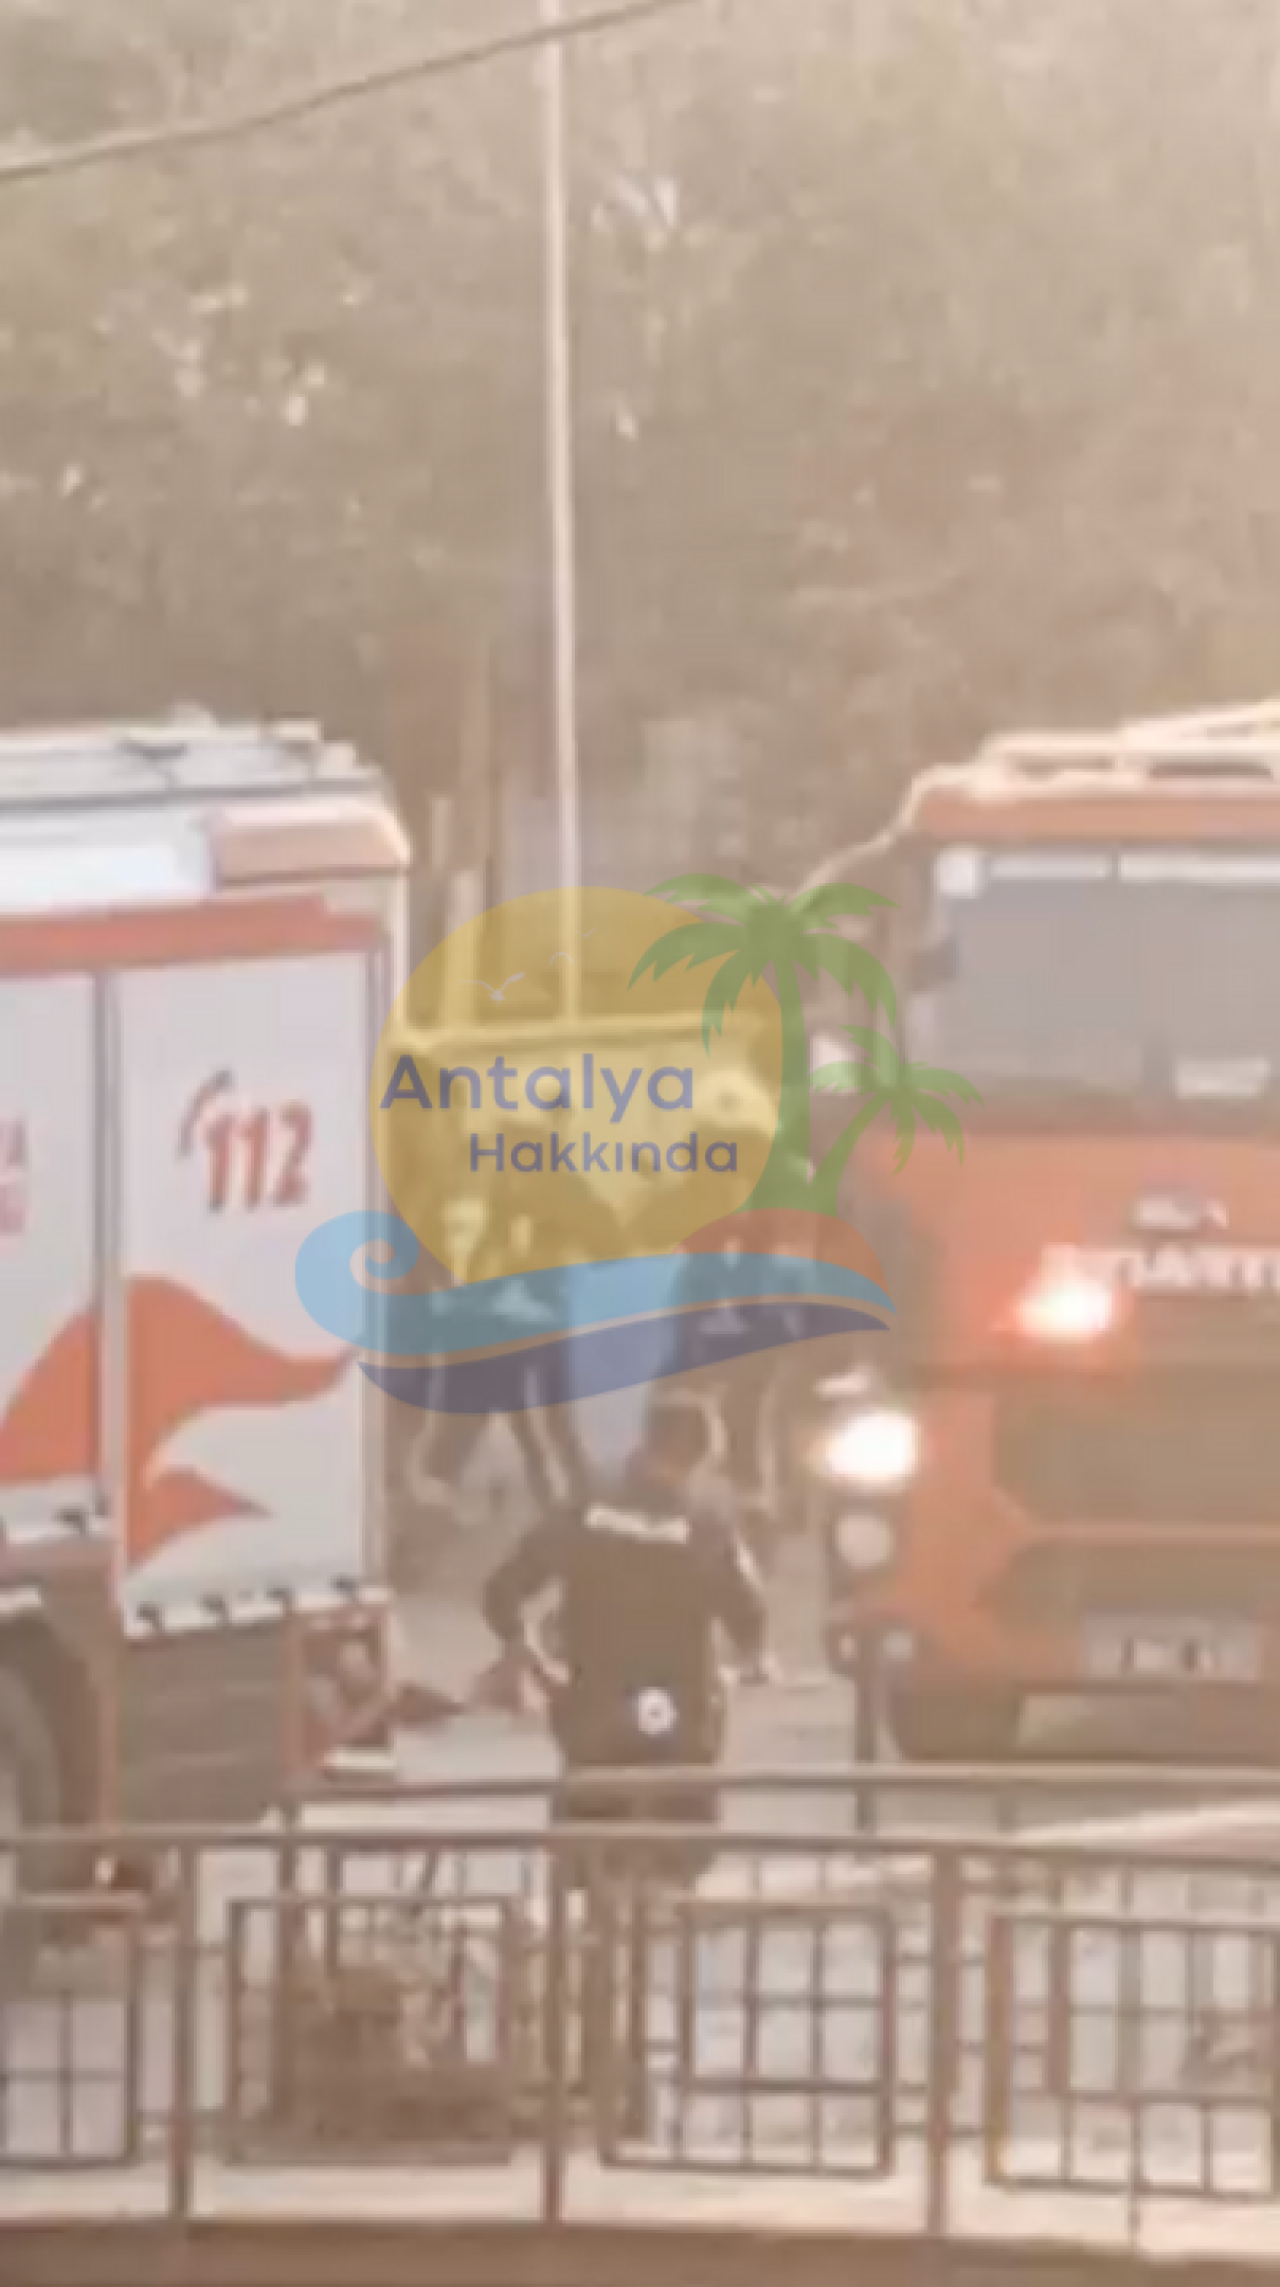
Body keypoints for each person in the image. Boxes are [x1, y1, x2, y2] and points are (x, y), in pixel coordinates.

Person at [479, 1391, 769, 1881]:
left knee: (586, 1837)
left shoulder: (586, 1505)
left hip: (594, 1702)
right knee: (683, 1843)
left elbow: (502, 1590)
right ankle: (665, 1906)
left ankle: (588, 1909)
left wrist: (523, 1648)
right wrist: (748, 1662)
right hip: (679, 1712)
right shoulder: (706, 1520)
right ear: (704, 1455)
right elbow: (748, 1610)